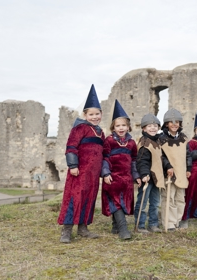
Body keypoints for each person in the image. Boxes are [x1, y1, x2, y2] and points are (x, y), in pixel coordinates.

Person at [58, 84, 105, 243]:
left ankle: (83, 228)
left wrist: (103, 171)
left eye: (97, 114)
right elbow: (71, 146)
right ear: (85, 115)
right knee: (74, 198)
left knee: (89, 198)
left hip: (93, 173)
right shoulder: (80, 128)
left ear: (101, 114)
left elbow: (104, 152)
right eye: (91, 114)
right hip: (79, 171)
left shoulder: (100, 132)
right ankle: (67, 230)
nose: (94, 117)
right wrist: (73, 165)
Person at [101, 99, 141, 240]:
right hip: (113, 177)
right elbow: (105, 157)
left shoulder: (131, 143)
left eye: (124, 125)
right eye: (118, 125)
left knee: (123, 201)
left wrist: (136, 175)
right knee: (115, 200)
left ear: (128, 127)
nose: (121, 128)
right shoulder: (109, 141)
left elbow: (134, 160)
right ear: (113, 127)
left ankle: (115, 226)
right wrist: (105, 173)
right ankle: (124, 229)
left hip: (126, 178)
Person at [159, 108, 192, 231]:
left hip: (181, 172)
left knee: (180, 198)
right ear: (167, 124)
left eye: (177, 122)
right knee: (169, 198)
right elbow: (161, 155)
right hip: (169, 173)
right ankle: (169, 223)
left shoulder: (183, 138)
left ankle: (177, 221)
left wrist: (188, 168)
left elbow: (188, 154)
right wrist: (168, 166)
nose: (174, 124)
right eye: (171, 122)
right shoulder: (161, 139)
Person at [134, 113, 165, 233]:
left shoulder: (156, 141)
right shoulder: (144, 143)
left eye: (155, 126)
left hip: (156, 178)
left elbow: (160, 158)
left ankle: (153, 224)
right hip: (147, 178)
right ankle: (140, 225)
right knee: (142, 202)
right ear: (144, 128)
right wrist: (144, 174)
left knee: (155, 203)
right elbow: (142, 161)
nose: (153, 128)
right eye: (149, 126)